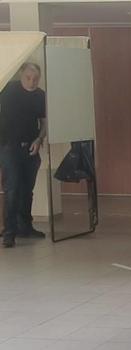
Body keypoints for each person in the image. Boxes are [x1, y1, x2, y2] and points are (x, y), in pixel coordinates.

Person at [0, 62, 47, 248]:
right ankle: (9, 232)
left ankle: (25, 226)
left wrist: (39, 139)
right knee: (12, 188)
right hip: (9, 147)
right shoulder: (7, 90)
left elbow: (44, 122)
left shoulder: (40, 95)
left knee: (28, 190)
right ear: (21, 74)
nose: (32, 81)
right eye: (28, 77)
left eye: (36, 78)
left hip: (31, 147)